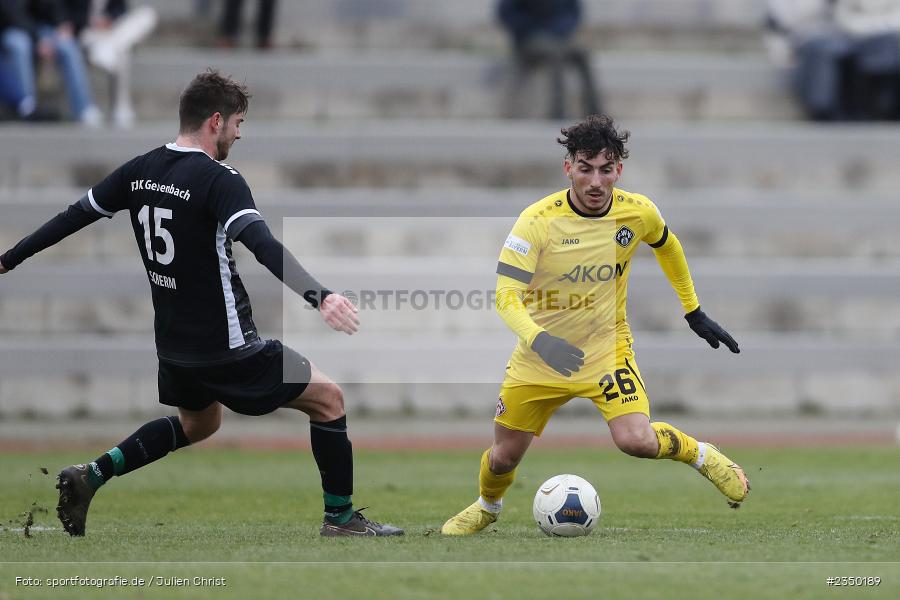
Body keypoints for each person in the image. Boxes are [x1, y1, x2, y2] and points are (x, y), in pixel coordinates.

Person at [0, 69, 403, 538]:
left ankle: (91, 475)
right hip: (229, 347)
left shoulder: (140, 169)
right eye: (237, 124)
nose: (239, 133)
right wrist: (322, 296)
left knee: (201, 422)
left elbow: (73, 217)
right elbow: (262, 243)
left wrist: (8, 260)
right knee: (329, 399)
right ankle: (341, 519)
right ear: (215, 121)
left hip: (175, 348)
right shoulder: (219, 179)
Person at [441, 114, 749, 535]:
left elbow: (668, 246)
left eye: (606, 170)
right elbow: (505, 295)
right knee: (503, 457)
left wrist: (693, 310)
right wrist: (540, 339)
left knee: (636, 440)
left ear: (618, 170)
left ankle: (701, 454)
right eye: (585, 169)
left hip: (606, 349)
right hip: (539, 356)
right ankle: (487, 506)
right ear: (568, 166)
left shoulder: (637, 212)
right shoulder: (535, 221)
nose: (595, 182)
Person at [0, 0, 102, 124]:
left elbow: (54, 6)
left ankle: (84, 108)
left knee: (67, 46)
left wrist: (62, 24)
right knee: (19, 44)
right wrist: (37, 39)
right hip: (15, 27)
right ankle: (27, 106)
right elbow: (12, 11)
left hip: (45, 28)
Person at [497, 0, 601, 120]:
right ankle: (558, 111)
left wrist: (558, 30)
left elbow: (574, 14)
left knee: (582, 53)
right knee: (555, 54)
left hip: (560, 37)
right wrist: (534, 29)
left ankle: (594, 112)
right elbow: (506, 14)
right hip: (529, 40)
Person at [64, 0, 158, 128]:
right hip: (88, 34)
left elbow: (120, 11)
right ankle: (120, 107)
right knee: (123, 53)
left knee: (147, 14)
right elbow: (68, 16)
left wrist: (109, 19)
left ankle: (108, 48)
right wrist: (92, 23)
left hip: (112, 33)